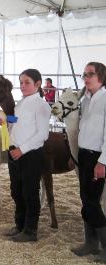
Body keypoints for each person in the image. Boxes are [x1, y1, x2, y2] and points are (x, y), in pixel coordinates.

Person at [3, 69, 50, 242]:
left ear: (37, 84)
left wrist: (22, 149)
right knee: (16, 190)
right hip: (14, 151)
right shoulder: (21, 103)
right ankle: (20, 225)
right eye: (21, 82)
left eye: (27, 82)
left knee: (30, 191)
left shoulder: (41, 105)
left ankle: (31, 230)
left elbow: (42, 134)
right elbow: (19, 120)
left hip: (30, 154)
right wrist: (7, 120)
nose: (22, 86)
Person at [71, 62, 106, 263]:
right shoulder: (85, 99)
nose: (85, 77)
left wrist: (102, 162)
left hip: (97, 156)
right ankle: (91, 243)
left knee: (92, 201)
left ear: (101, 76)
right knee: (85, 199)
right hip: (84, 154)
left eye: (90, 74)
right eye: (84, 74)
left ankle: (103, 246)